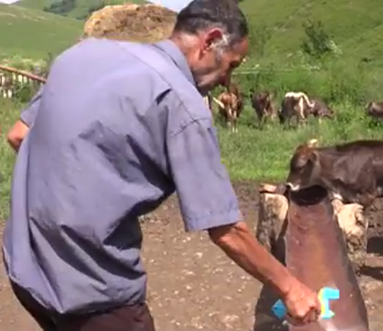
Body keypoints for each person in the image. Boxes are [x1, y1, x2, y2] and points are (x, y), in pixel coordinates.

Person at [2, 1, 321, 330]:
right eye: (231, 65)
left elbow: (18, 135)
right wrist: (290, 287)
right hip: (91, 292)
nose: (228, 81)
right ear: (209, 41)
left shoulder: (82, 55)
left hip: (26, 267)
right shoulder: (181, 103)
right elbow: (227, 231)